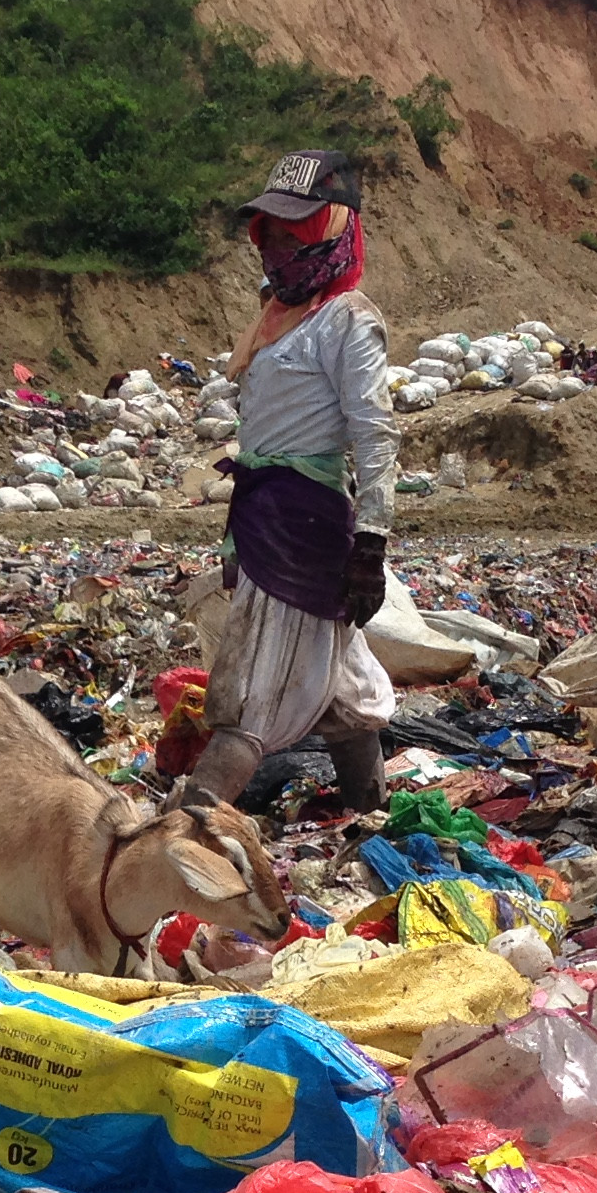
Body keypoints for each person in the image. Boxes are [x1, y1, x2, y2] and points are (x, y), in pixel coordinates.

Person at [181, 148, 398, 819]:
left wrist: (371, 545)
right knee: (344, 691)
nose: (277, 247)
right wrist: (233, 543)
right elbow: (260, 438)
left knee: (248, 696)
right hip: (267, 514)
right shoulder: (278, 319)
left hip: (305, 527)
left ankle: (177, 833)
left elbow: (375, 433)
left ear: (332, 230)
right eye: (269, 232)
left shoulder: (348, 320)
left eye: (293, 231)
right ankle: (370, 817)